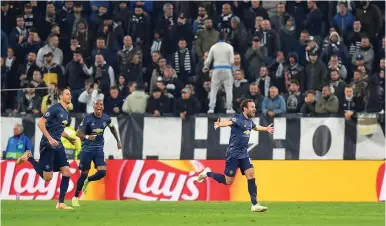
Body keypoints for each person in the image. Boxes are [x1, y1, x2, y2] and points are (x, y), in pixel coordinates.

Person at [197, 99, 274, 212]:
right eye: (252, 107)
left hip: (244, 154)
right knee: (228, 181)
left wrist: (266, 128)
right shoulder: (238, 118)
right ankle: (207, 173)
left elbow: (255, 127)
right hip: (233, 155)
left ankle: (255, 204)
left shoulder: (249, 121)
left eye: (254, 107)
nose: (254, 109)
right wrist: (219, 124)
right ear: (245, 109)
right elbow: (228, 123)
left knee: (251, 175)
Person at [16, 88, 76, 209]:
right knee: (47, 178)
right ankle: (29, 158)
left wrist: (69, 138)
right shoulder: (54, 108)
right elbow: (40, 123)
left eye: (70, 94)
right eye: (67, 94)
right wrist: (49, 138)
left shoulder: (66, 112)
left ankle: (60, 202)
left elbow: (59, 129)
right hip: (48, 144)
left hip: (58, 144)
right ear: (60, 96)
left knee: (67, 171)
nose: (70, 96)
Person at [72, 99, 121, 207]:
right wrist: (87, 136)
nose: (99, 106)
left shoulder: (107, 119)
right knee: (84, 173)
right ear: (94, 107)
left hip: (99, 149)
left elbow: (113, 128)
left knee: (102, 173)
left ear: (103, 108)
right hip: (87, 149)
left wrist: (118, 141)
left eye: (101, 104)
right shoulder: (88, 118)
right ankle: (75, 197)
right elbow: (78, 132)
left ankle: (88, 180)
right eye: (97, 104)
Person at [203, 32, 235, 114]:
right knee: (228, 90)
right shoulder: (229, 47)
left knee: (213, 90)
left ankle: (211, 108)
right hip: (226, 69)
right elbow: (232, 61)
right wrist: (230, 66)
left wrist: (206, 66)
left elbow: (208, 60)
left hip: (216, 69)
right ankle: (229, 108)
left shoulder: (213, 47)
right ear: (225, 38)